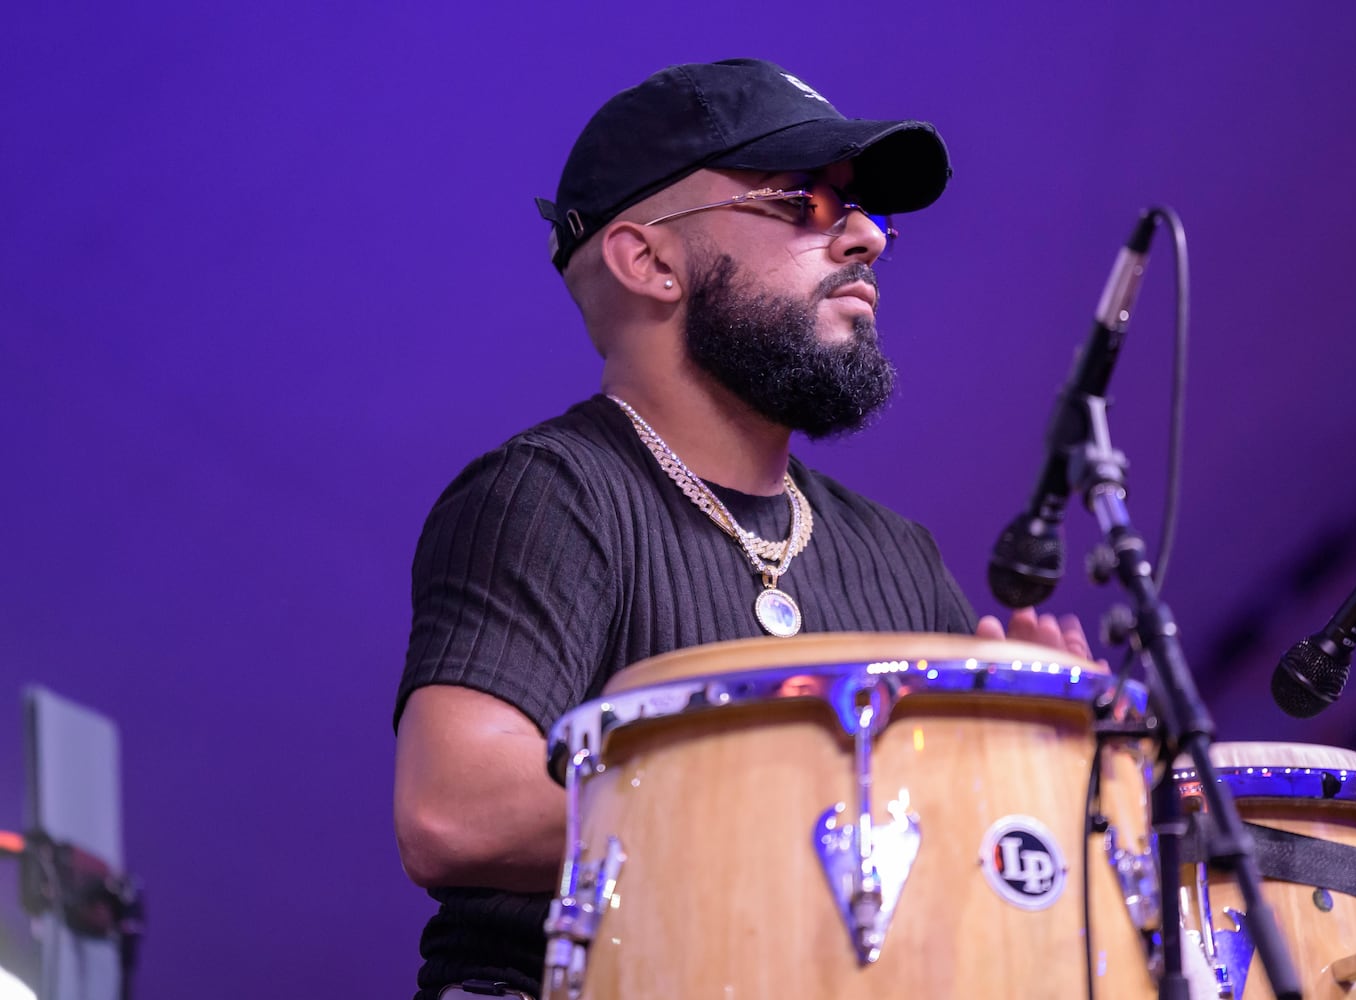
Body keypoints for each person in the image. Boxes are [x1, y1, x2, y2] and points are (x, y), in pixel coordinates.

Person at [391, 58, 1093, 1000]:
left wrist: (1053, 773)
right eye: (803, 203)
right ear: (651, 260)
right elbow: (455, 813)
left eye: (866, 212)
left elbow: (966, 871)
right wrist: (811, 813)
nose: (864, 240)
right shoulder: (552, 494)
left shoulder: (896, 554)